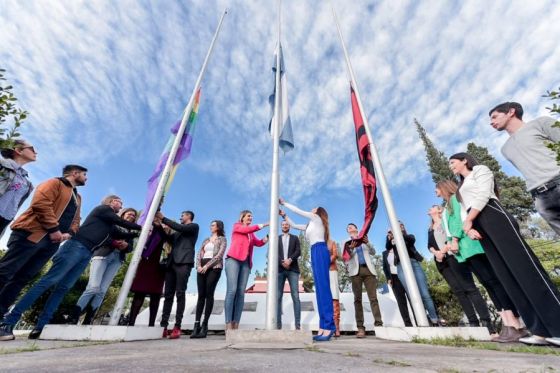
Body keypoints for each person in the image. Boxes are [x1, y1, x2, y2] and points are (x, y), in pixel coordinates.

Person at [449, 152, 560, 346]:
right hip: (477, 223)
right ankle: (539, 330)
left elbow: (484, 194)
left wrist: (469, 220)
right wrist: (471, 227)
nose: (451, 166)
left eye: (453, 162)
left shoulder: (480, 170)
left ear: (464, 160)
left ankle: (556, 326)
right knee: (506, 276)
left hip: (492, 214)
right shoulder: (460, 188)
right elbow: (463, 208)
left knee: (524, 268)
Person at [0, 195, 141, 341]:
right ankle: (8, 322)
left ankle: (41, 326)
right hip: (75, 247)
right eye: (119, 202)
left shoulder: (110, 225)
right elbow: (121, 222)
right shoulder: (103, 210)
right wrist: (141, 226)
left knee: (63, 288)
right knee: (48, 281)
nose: (121, 205)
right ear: (112, 202)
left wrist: (138, 233)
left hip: (87, 253)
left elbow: (124, 233)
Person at [436, 179, 521, 340]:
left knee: (493, 282)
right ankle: (507, 323)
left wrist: (454, 239)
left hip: (471, 246)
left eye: (437, 189)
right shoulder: (447, 205)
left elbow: (459, 221)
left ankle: (515, 323)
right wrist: (450, 242)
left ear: (444, 188)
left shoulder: (455, 199)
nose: (436, 192)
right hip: (464, 250)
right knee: (488, 284)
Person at [0, 164, 86, 321]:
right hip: (31, 233)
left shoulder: (77, 197)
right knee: (6, 271)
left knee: (23, 278)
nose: (86, 178)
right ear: (75, 173)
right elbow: (41, 204)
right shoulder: (54, 183)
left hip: (52, 242)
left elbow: (76, 219)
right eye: (84, 175)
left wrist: (69, 233)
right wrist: (54, 229)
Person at [489, 102, 560, 235]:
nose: (491, 122)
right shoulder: (505, 149)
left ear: (511, 112)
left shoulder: (540, 123)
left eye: (494, 116)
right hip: (540, 198)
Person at [427, 202, 496, 335]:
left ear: (439, 210)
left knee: (469, 288)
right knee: (459, 291)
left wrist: (443, 250)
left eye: (433, 207)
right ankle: (473, 323)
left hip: (454, 256)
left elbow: (451, 235)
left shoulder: (445, 222)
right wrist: (436, 253)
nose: (430, 208)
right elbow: (429, 245)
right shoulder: (430, 229)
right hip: (442, 263)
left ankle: (487, 323)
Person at [280, 198, 335, 342]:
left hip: (320, 250)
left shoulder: (316, 218)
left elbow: (299, 211)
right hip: (314, 251)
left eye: (315, 207)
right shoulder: (310, 224)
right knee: (319, 291)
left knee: (324, 288)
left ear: (318, 212)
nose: (312, 209)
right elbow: (293, 225)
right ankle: (323, 327)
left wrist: (285, 203)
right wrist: (284, 215)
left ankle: (329, 326)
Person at [71, 207, 138, 324]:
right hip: (103, 255)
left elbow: (130, 248)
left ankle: (88, 319)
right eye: (129, 214)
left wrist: (126, 246)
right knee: (93, 287)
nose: (131, 216)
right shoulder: (112, 222)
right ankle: (74, 316)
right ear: (123, 214)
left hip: (117, 259)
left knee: (102, 290)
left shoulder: (131, 232)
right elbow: (102, 236)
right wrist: (115, 242)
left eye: (134, 215)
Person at [386, 222, 444, 326]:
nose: (395, 227)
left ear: (402, 227)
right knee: (412, 295)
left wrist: (399, 232)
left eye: (398, 225)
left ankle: (435, 319)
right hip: (401, 266)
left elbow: (411, 240)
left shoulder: (409, 236)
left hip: (413, 264)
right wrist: (389, 235)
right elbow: (387, 246)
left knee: (424, 294)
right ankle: (422, 321)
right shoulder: (392, 239)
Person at [154, 210, 199, 339]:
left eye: (182, 215)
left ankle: (177, 326)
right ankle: (163, 326)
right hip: (171, 264)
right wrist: (158, 225)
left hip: (184, 262)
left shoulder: (193, 227)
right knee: (168, 295)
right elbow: (168, 238)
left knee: (180, 293)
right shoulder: (178, 232)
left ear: (189, 216)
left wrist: (163, 218)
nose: (180, 217)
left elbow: (179, 227)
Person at [224, 210, 268, 331]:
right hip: (233, 260)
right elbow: (246, 230)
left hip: (245, 263)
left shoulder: (251, 234)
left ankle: (236, 324)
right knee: (232, 291)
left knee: (241, 293)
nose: (251, 218)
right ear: (242, 217)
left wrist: (268, 237)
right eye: (249, 216)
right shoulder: (237, 226)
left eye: (252, 217)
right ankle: (228, 324)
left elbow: (258, 243)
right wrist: (263, 225)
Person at [128, 223, 169, 327]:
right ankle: (131, 322)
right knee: (139, 294)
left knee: (155, 296)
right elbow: (158, 229)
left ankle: (151, 324)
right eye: (163, 225)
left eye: (166, 226)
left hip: (159, 270)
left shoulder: (169, 241)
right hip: (147, 266)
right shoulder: (153, 236)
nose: (164, 226)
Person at [345, 223, 382, 338]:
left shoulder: (364, 238)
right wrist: (350, 249)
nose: (350, 228)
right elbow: (345, 258)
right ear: (348, 232)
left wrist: (368, 243)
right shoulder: (346, 242)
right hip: (355, 272)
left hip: (369, 271)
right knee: (357, 300)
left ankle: (379, 325)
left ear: (356, 229)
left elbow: (373, 252)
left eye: (351, 226)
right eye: (348, 228)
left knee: (373, 298)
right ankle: (360, 328)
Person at [191, 220, 227, 339]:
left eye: (213, 225)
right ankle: (196, 325)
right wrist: (199, 266)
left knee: (208, 294)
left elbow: (219, 255)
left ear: (218, 227)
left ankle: (204, 325)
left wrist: (207, 266)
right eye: (210, 224)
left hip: (214, 267)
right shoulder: (206, 240)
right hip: (202, 267)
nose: (211, 226)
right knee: (201, 295)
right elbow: (199, 253)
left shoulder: (222, 239)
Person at [0, 139, 36, 237]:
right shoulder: (2, 164)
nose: (35, 152)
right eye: (32, 149)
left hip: (4, 220)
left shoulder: (27, 183)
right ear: (19, 150)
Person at [275, 218, 302, 331]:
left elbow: (298, 251)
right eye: (283, 224)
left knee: (295, 296)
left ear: (289, 226)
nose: (285, 226)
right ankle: (277, 325)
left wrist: (290, 260)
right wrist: (282, 261)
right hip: (280, 270)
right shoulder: (276, 238)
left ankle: (297, 325)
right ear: (281, 227)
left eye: (287, 224)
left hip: (293, 269)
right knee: (278, 297)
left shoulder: (295, 238)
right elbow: (273, 252)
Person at [382, 244, 413, 327]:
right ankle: (408, 324)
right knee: (401, 302)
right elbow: (385, 267)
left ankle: (420, 321)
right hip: (394, 279)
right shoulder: (385, 253)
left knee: (413, 299)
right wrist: (388, 278)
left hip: (406, 276)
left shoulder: (401, 248)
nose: (390, 236)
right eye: (388, 235)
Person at [327, 239, 340, 337]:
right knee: (324, 299)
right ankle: (326, 326)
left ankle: (336, 327)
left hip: (332, 270)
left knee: (334, 297)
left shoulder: (332, 242)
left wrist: (325, 262)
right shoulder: (317, 243)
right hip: (321, 273)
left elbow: (335, 255)